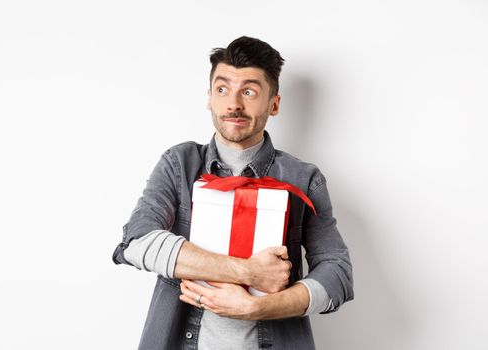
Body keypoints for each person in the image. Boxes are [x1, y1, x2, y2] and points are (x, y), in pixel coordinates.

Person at [112, 36, 353, 350]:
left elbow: (338, 275)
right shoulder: (180, 163)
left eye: (249, 91)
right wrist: (249, 272)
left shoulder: (303, 178)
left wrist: (256, 307)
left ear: (274, 104)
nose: (234, 104)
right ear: (210, 97)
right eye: (223, 89)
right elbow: (136, 242)